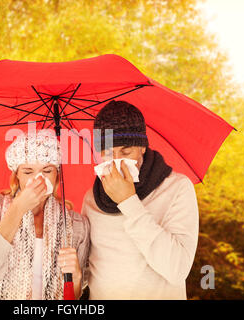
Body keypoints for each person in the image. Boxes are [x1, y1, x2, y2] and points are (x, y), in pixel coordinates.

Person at [81, 100, 199, 299]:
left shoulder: (177, 188)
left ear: (142, 147)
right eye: (108, 153)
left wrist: (128, 202)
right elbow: (86, 273)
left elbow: (177, 269)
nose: (116, 160)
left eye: (126, 152)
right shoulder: (92, 198)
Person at [0, 129, 90, 300]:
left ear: (57, 175)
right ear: (16, 174)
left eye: (47, 171)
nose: (38, 179)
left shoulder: (76, 225)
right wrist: (18, 208)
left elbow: (72, 298)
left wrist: (76, 279)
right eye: (28, 172)